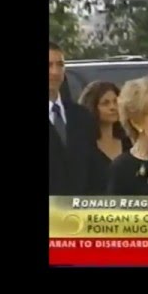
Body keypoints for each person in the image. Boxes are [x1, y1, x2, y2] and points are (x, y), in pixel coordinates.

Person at [49, 41, 105, 195]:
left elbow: (94, 169)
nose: (55, 72)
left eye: (60, 65)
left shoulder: (82, 116)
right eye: (49, 65)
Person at [78, 81, 133, 189]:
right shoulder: (84, 147)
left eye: (115, 102)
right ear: (92, 107)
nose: (113, 107)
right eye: (105, 103)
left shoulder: (129, 143)